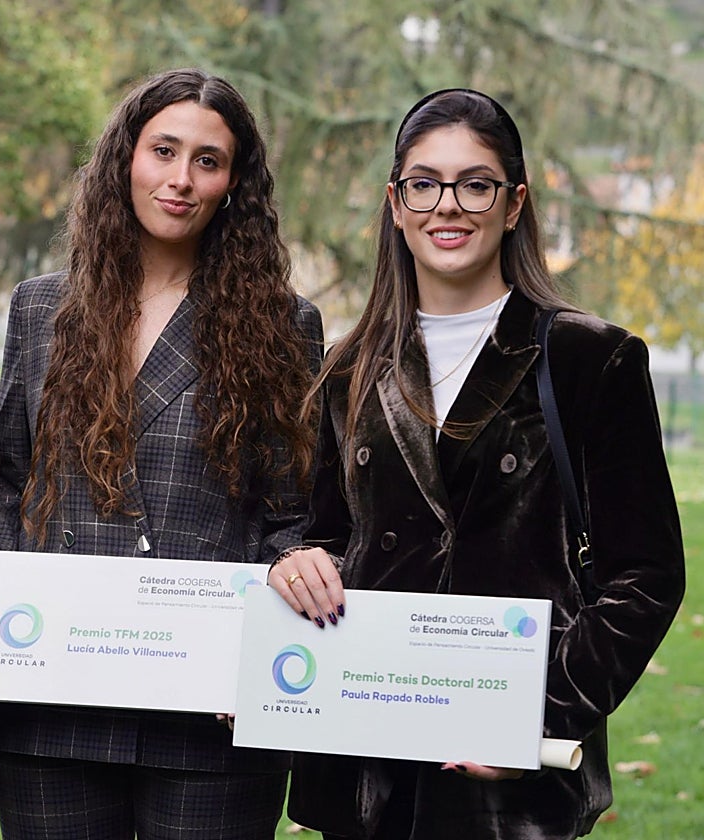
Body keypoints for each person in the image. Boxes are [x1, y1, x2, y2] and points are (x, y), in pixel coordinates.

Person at [269, 88, 686, 839]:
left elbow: (647, 575)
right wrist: (298, 563)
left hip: (513, 784)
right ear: (396, 204)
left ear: (514, 202)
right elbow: (327, 536)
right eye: (424, 183)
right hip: (366, 773)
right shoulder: (348, 370)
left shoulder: (589, 358)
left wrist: (537, 714)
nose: (447, 206)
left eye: (476, 183)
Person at [0, 67, 323, 840]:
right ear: (126, 158)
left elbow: (294, 514)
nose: (180, 179)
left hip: (212, 708)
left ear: (234, 184)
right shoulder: (44, 307)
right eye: (164, 151)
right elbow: (10, 482)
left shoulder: (284, 324)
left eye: (207, 161)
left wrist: (288, 589)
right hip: (52, 696)